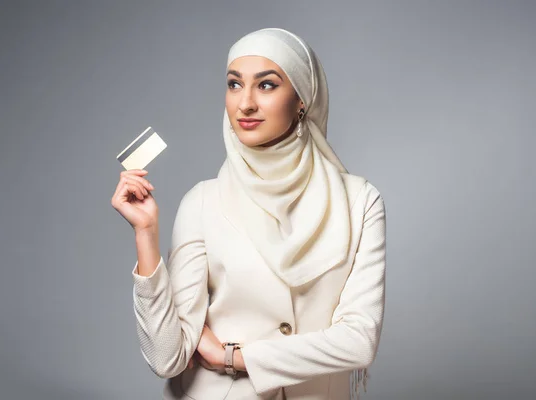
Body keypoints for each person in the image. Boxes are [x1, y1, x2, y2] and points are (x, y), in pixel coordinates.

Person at [111, 27, 386, 400]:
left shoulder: (360, 202)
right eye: (234, 84)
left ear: (302, 99)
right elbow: (166, 357)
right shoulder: (203, 202)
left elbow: (358, 341)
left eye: (267, 85)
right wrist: (145, 233)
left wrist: (234, 357)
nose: (245, 104)